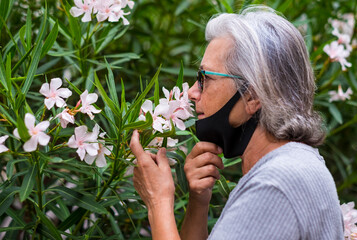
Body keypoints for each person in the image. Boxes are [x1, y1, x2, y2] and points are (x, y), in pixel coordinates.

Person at [130, 5, 344, 240]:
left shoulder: (274, 184)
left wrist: (157, 202)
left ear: (252, 96)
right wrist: (199, 203)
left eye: (205, 78)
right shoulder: (297, 164)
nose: (192, 92)